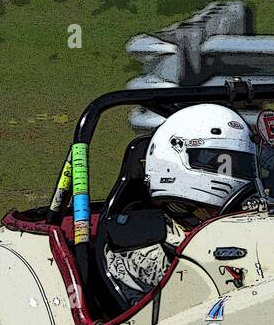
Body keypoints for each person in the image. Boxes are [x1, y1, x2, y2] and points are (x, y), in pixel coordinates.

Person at [105, 103, 257, 301]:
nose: (232, 174)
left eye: (241, 165)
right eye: (220, 162)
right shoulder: (142, 240)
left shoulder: (234, 219)